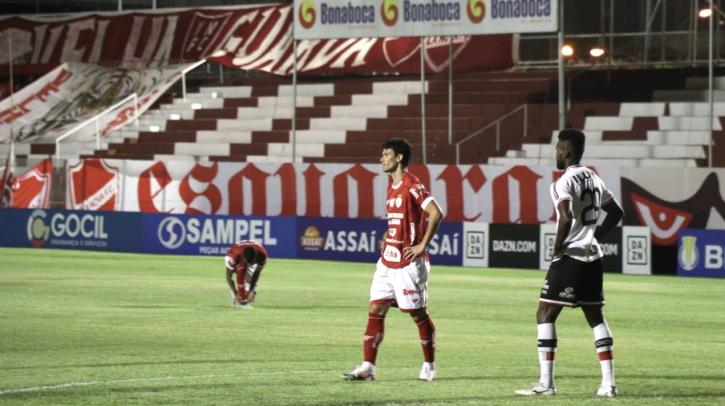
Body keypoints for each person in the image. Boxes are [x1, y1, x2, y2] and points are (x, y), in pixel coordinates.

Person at [516, 129, 623, 397]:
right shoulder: (593, 176)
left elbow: (564, 217)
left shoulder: (562, 183)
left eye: (557, 149)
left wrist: (557, 249)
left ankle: (546, 383)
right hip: (593, 256)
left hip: (571, 256)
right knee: (595, 316)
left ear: (566, 151)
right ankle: (608, 384)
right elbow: (616, 212)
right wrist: (595, 235)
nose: (555, 153)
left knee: (545, 313)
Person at [343, 138, 444, 382]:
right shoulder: (392, 186)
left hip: (409, 264)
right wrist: (390, 236)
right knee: (376, 308)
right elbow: (399, 220)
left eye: (386, 154)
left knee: (418, 314)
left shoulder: (412, 184)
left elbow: (436, 213)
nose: (381, 158)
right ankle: (368, 367)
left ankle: (429, 366)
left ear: (398, 158)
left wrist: (422, 245)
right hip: (388, 260)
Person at [225, 240, 268, 310]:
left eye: (252, 262)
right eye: (248, 263)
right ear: (245, 259)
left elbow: (256, 273)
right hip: (235, 253)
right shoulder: (233, 258)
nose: (250, 264)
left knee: (249, 279)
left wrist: (252, 290)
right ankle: (235, 295)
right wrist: (236, 293)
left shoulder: (263, 255)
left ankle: (245, 295)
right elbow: (229, 277)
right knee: (234, 275)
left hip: (248, 254)